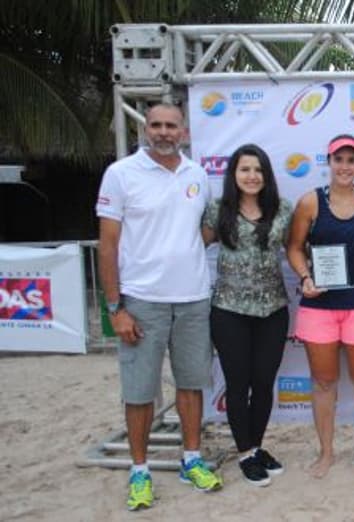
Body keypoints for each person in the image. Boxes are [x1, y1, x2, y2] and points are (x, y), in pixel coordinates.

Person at [96, 103, 222, 511]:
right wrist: (116, 306)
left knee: (190, 383)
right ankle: (139, 470)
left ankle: (191, 459)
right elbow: (108, 245)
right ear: (145, 129)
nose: (164, 132)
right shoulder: (121, 174)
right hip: (141, 301)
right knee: (139, 390)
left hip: (193, 299)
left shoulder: (197, 175)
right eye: (157, 125)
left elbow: (203, 230)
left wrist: (180, 257)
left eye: (171, 126)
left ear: (184, 132)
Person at [286, 134, 354, 479]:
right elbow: (295, 247)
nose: (345, 166)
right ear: (329, 163)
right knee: (324, 383)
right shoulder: (310, 202)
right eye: (338, 160)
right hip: (319, 307)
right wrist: (305, 277)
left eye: (351, 160)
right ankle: (326, 453)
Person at [201, 144, 292, 487]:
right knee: (238, 386)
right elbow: (193, 248)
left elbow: (298, 248)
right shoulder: (216, 211)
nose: (252, 176)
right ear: (233, 175)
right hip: (229, 311)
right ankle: (245, 454)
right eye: (245, 170)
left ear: (266, 175)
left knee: (264, 384)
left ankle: (254, 447)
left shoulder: (282, 209)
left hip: (273, 310)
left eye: (258, 170)